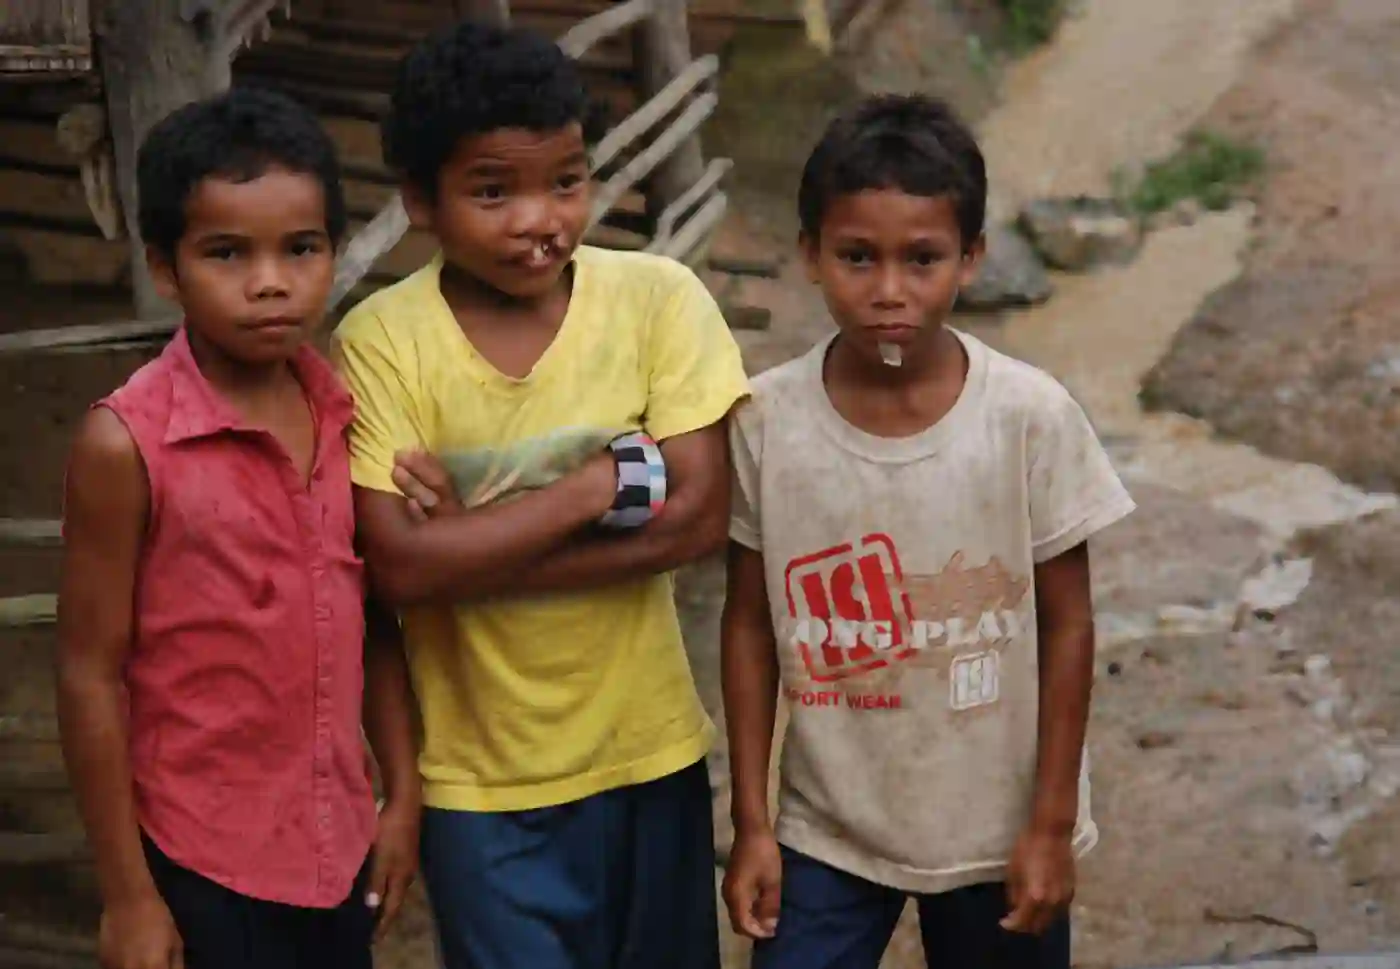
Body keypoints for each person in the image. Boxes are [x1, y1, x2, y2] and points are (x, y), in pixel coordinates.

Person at [331, 19, 749, 969]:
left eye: (566, 181)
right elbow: (397, 570)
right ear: (420, 200)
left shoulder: (656, 301)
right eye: (493, 191)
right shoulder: (384, 342)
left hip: (650, 753)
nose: (540, 219)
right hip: (478, 784)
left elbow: (699, 518)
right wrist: (595, 486)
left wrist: (468, 545)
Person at [719, 93, 1137, 969]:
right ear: (809, 254)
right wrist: (753, 823)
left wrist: (1051, 823)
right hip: (828, 828)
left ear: (971, 258)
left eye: (922, 259)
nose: (889, 291)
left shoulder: (1027, 417)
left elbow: (1068, 624)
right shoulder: (765, 421)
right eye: (857, 257)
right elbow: (750, 623)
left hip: (998, 827)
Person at [55, 88, 417, 969]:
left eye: (302, 248)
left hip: (337, 841)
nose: (270, 281)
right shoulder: (127, 444)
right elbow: (88, 673)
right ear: (165, 269)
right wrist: (129, 895)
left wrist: (402, 792)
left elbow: (371, 615)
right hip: (200, 858)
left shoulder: (345, 413)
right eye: (226, 253)